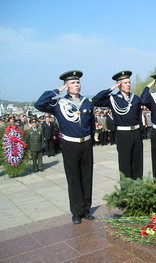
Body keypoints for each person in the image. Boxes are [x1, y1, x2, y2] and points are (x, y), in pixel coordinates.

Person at [34, 70, 95, 224]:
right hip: (70, 145)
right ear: (66, 86)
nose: (77, 85)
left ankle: (87, 209)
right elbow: (39, 104)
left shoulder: (88, 102)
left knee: (87, 177)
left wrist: (90, 141)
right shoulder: (58, 103)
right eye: (73, 83)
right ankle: (76, 211)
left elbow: (92, 124)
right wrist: (56, 92)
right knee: (73, 178)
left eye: (78, 82)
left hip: (86, 143)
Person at [92, 71, 143, 180]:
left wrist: (141, 132)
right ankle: (126, 190)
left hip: (136, 133)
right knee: (125, 163)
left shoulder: (136, 98)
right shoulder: (113, 98)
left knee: (137, 162)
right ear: (119, 85)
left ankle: (139, 187)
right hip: (123, 134)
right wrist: (111, 89)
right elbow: (95, 100)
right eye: (125, 83)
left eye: (129, 82)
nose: (128, 84)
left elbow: (139, 116)